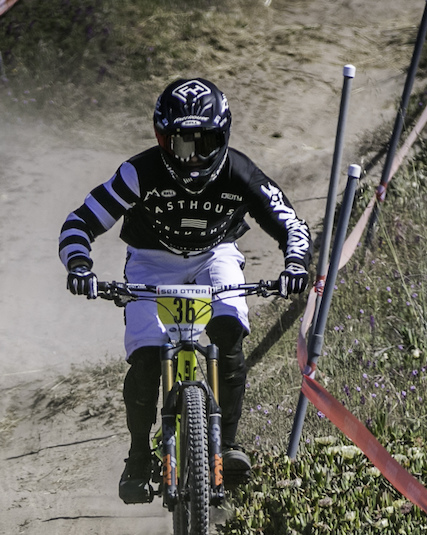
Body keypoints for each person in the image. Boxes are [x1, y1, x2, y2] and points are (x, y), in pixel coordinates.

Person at [59, 77, 312, 503]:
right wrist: (80, 265)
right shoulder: (138, 172)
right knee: (144, 358)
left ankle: (227, 446)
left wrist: (295, 264)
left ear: (224, 136)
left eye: (207, 142)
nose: (194, 157)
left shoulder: (240, 171)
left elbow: (291, 224)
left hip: (215, 255)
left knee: (229, 332)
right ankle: (138, 455)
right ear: (162, 139)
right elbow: (79, 222)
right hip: (151, 261)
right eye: (181, 143)